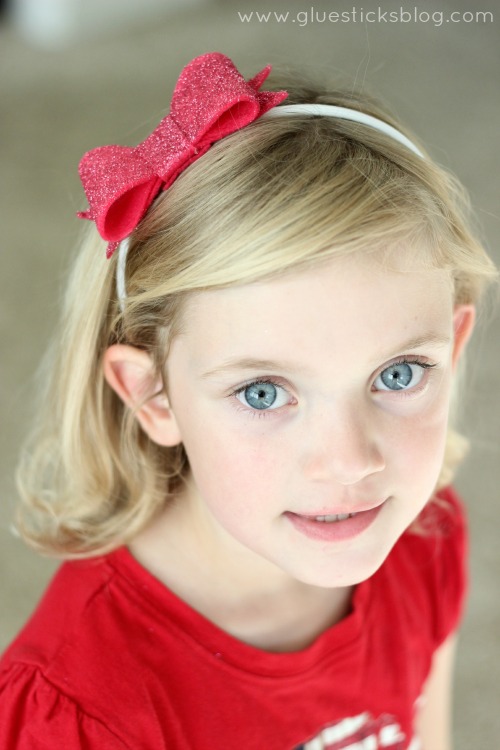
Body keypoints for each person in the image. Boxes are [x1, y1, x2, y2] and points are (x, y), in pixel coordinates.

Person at [0, 52, 496, 750]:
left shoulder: (422, 541)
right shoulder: (77, 710)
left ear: (456, 341)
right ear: (154, 397)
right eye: (263, 392)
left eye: (398, 374)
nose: (349, 462)